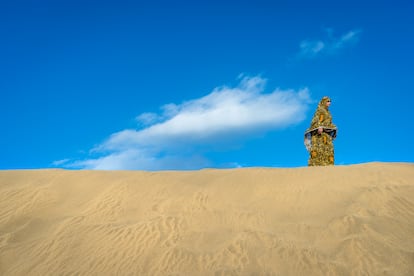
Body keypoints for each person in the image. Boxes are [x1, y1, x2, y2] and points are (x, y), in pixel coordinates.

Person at [304, 96, 337, 166]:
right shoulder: (320, 110)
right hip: (319, 135)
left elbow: (328, 122)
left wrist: (332, 127)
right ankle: (315, 168)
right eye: (328, 101)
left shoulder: (328, 112)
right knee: (318, 150)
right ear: (323, 102)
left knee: (328, 150)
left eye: (330, 101)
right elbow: (315, 121)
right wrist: (319, 126)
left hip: (326, 135)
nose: (329, 103)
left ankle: (328, 168)